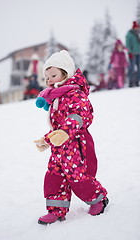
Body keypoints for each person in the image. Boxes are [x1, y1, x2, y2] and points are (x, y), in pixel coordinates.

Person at [34, 50, 109, 225]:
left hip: (75, 143)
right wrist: (47, 139)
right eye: (47, 78)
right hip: (59, 147)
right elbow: (58, 125)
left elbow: (80, 115)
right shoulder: (57, 97)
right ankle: (56, 210)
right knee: (54, 176)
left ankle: (98, 199)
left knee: (77, 175)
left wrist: (66, 132)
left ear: (65, 73)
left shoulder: (76, 94)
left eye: (53, 75)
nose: (49, 80)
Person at [126, 21, 140, 87]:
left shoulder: (138, 34)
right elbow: (128, 44)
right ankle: (131, 82)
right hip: (132, 53)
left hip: (139, 53)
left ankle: (137, 81)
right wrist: (130, 52)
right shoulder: (129, 34)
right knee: (132, 68)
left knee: (138, 67)